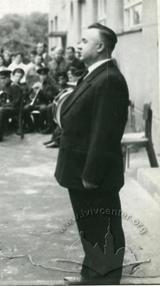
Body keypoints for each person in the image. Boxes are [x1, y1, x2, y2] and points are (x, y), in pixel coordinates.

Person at [55, 23, 129, 285]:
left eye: (84, 40)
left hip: (92, 174)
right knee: (91, 230)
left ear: (100, 47)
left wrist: (92, 174)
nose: (78, 44)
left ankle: (104, 281)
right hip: (79, 169)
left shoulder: (109, 79)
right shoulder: (94, 74)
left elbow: (105, 133)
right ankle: (90, 276)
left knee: (103, 230)